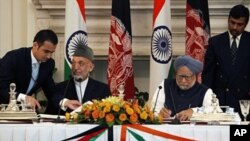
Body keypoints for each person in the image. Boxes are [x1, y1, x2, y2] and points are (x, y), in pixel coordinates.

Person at [202, 4, 250, 121]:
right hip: (220, 103)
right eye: (232, 22)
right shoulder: (215, 42)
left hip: (245, 104)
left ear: (246, 24)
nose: (234, 27)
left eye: (239, 24)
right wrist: (208, 102)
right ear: (228, 20)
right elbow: (208, 75)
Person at [0, 29, 59, 111]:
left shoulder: (49, 64)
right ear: (35, 45)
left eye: (52, 52)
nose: (49, 56)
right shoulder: (13, 58)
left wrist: (64, 102)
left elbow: (50, 91)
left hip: (22, 111)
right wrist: (24, 98)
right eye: (46, 51)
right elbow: (2, 88)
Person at [151, 55, 221, 121]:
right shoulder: (165, 85)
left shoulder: (205, 91)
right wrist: (160, 113)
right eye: (180, 76)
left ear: (194, 76)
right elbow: (153, 110)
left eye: (187, 77)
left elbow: (216, 111)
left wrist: (194, 112)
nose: (183, 80)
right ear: (175, 74)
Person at [54, 45, 111, 115]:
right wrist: (65, 103)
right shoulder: (61, 88)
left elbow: (108, 115)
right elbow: (52, 108)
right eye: (73, 63)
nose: (75, 67)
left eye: (81, 63)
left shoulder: (102, 89)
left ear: (91, 67)